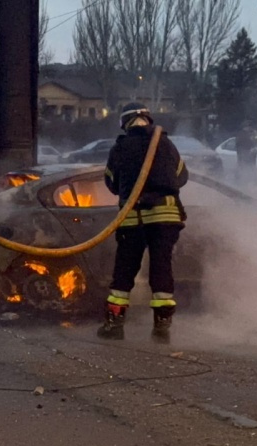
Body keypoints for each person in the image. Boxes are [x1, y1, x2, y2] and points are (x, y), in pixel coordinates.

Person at [98, 103, 189, 341]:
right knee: (161, 267)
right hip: (165, 217)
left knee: (125, 270)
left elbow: (111, 182)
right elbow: (181, 176)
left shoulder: (120, 148)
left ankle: (114, 324)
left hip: (133, 216)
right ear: (148, 119)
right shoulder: (166, 144)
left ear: (124, 123)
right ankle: (162, 326)